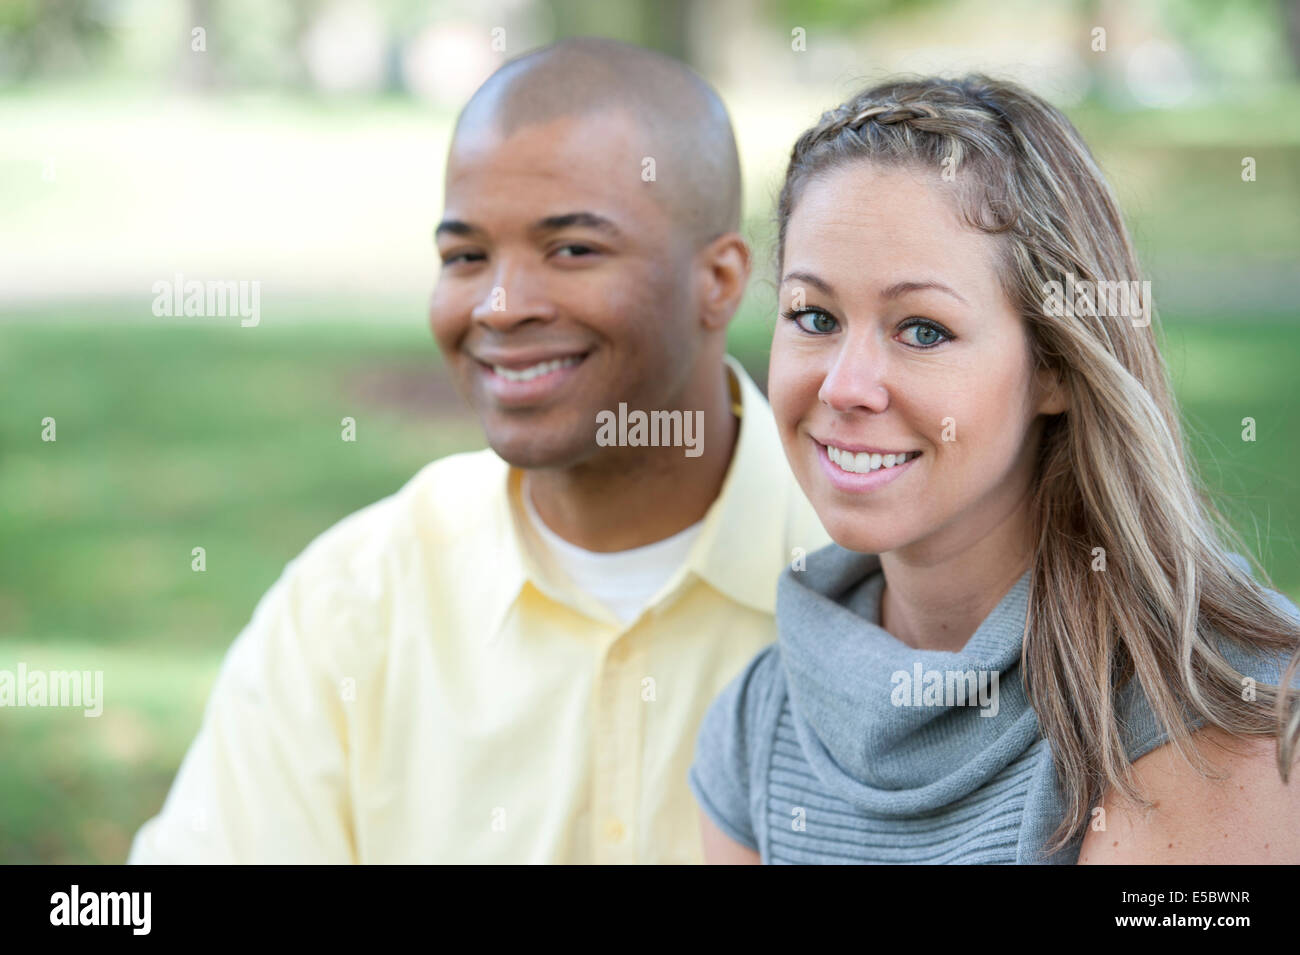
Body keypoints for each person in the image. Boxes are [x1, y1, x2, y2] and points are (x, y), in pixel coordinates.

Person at [126, 37, 829, 864]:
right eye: (465, 256)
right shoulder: (352, 605)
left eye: (572, 249)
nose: (500, 306)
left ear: (718, 281)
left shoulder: (876, 581)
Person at [688, 74, 1300, 865]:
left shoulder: (1214, 702)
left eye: (922, 329)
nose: (843, 384)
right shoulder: (755, 722)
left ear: (1054, 365)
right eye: (814, 316)